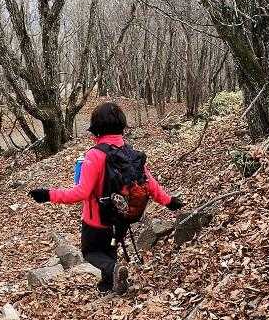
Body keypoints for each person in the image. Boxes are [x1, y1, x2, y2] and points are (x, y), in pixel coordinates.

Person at [28, 102, 184, 294]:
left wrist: (48, 194)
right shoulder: (130, 153)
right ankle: (108, 285)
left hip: (96, 221)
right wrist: (169, 201)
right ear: (121, 125)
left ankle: (114, 270)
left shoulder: (94, 155)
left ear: (97, 127)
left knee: (91, 252)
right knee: (110, 249)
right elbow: (149, 183)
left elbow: (81, 192)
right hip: (121, 218)